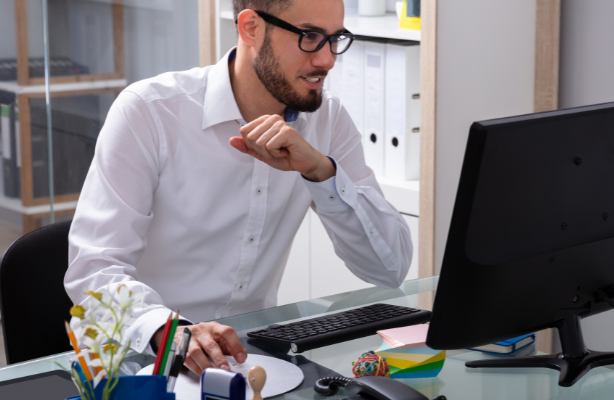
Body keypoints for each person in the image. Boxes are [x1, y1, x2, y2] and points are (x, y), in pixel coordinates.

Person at [64, 0, 412, 375]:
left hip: (250, 363)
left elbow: (388, 269)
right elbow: (94, 270)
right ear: (251, 28)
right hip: (138, 364)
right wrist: (171, 332)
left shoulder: (328, 120)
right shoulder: (150, 111)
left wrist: (321, 172)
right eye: (310, 37)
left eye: (335, 39)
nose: (328, 60)